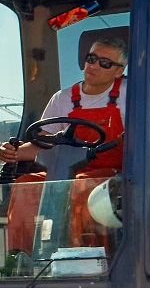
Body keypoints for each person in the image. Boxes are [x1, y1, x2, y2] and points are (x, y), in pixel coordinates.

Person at [33, 28, 128, 178]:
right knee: (25, 182)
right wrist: (13, 152)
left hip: (114, 177)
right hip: (66, 172)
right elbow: (43, 142)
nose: (94, 65)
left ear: (118, 71)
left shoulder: (131, 95)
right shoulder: (62, 98)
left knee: (80, 184)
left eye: (105, 63)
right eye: (91, 59)